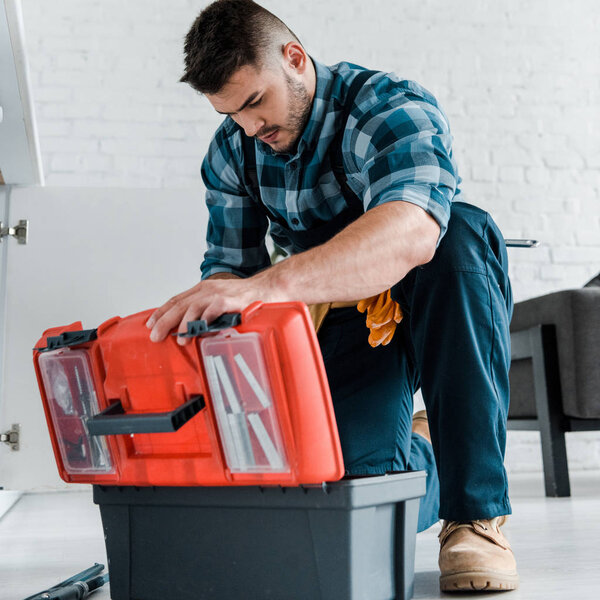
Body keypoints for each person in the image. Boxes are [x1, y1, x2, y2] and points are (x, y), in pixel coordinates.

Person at [146, 0, 518, 592]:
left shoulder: (386, 104)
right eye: (230, 113)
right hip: (337, 310)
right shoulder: (232, 151)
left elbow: (413, 229)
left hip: (434, 290)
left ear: (294, 59)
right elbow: (229, 280)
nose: (249, 128)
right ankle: (430, 450)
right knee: (342, 489)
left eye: (253, 103)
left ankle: (475, 516)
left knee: (460, 234)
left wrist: (276, 281)